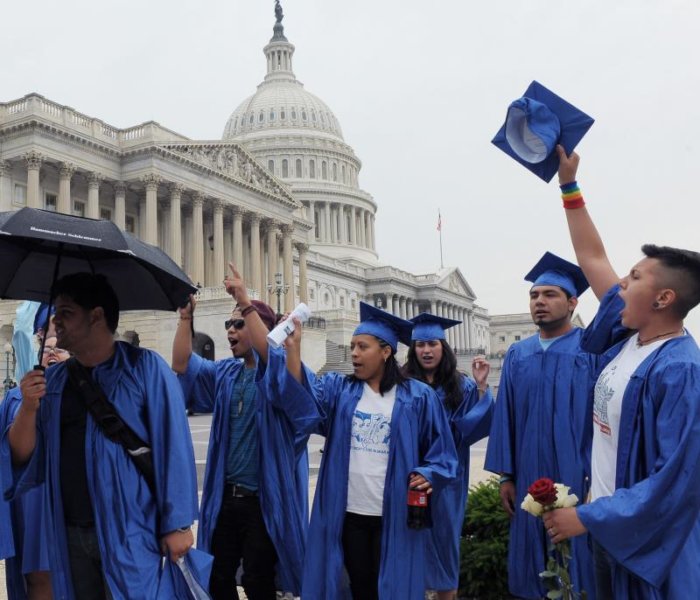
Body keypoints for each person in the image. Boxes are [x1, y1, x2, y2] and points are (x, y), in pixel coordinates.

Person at [541, 146, 700, 599]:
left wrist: (588, 518)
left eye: (633, 278)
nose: (619, 285)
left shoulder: (680, 371)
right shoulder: (629, 339)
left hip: (646, 542)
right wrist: (568, 185)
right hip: (607, 523)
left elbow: (676, 481)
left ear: (664, 298)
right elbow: (593, 257)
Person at [1, 273, 198, 600]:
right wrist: (29, 409)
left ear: (96, 316)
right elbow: (22, 455)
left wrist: (178, 524)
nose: (56, 322)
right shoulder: (57, 380)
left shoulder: (145, 369)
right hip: (69, 530)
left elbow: (174, 445)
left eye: (66, 313)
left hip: (131, 528)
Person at [284, 302, 459, 600]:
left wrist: (430, 473)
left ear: (386, 351)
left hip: (394, 514)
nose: (353, 353)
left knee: (390, 588)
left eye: (362, 347)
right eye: (352, 346)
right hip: (349, 511)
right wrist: (294, 349)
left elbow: (442, 453)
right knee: (361, 586)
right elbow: (302, 398)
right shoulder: (340, 389)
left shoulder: (419, 397)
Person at [172, 264, 317, 600]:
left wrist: (245, 300)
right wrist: (184, 319)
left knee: (257, 579)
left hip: (262, 501)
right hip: (225, 497)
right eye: (228, 324)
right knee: (218, 577)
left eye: (239, 324)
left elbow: (275, 360)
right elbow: (182, 364)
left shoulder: (281, 375)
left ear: (264, 329)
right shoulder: (226, 373)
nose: (230, 331)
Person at [484, 252, 598, 599]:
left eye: (549, 295)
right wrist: (506, 475)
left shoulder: (590, 350)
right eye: (534, 295)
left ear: (572, 301)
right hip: (528, 474)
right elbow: (506, 416)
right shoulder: (519, 354)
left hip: (576, 473)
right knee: (530, 554)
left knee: (576, 557)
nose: (539, 303)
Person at [402, 313, 494, 600]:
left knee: (445, 543)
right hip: (409, 475)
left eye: (432, 343)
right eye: (420, 345)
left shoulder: (461, 386)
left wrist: (480, 387)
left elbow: (472, 427)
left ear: (444, 347)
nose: (426, 350)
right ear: (413, 350)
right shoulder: (401, 384)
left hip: (447, 481)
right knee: (409, 544)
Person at [1, 328, 67, 600]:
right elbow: (12, 453)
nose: (51, 352)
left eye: (59, 349)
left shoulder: (83, 393)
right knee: (37, 576)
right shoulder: (17, 398)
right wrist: (30, 405)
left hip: (67, 495)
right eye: (46, 347)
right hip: (31, 498)